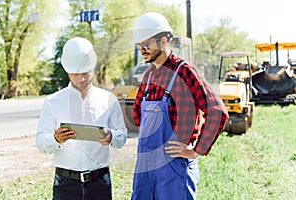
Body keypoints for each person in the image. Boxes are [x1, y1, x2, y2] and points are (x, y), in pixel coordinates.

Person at [131, 12, 229, 200]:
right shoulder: (148, 76)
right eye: (139, 45)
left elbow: (218, 113)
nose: (142, 49)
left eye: (147, 43)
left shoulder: (185, 72)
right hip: (146, 167)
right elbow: (138, 114)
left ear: (163, 41)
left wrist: (195, 150)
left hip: (173, 169)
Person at [36, 37, 127, 200]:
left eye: (86, 73)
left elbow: (122, 136)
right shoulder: (52, 101)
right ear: (67, 71)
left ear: (93, 67)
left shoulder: (108, 100)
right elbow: (41, 143)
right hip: (65, 183)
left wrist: (111, 136)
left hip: (100, 182)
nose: (82, 78)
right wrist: (55, 138)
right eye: (76, 74)